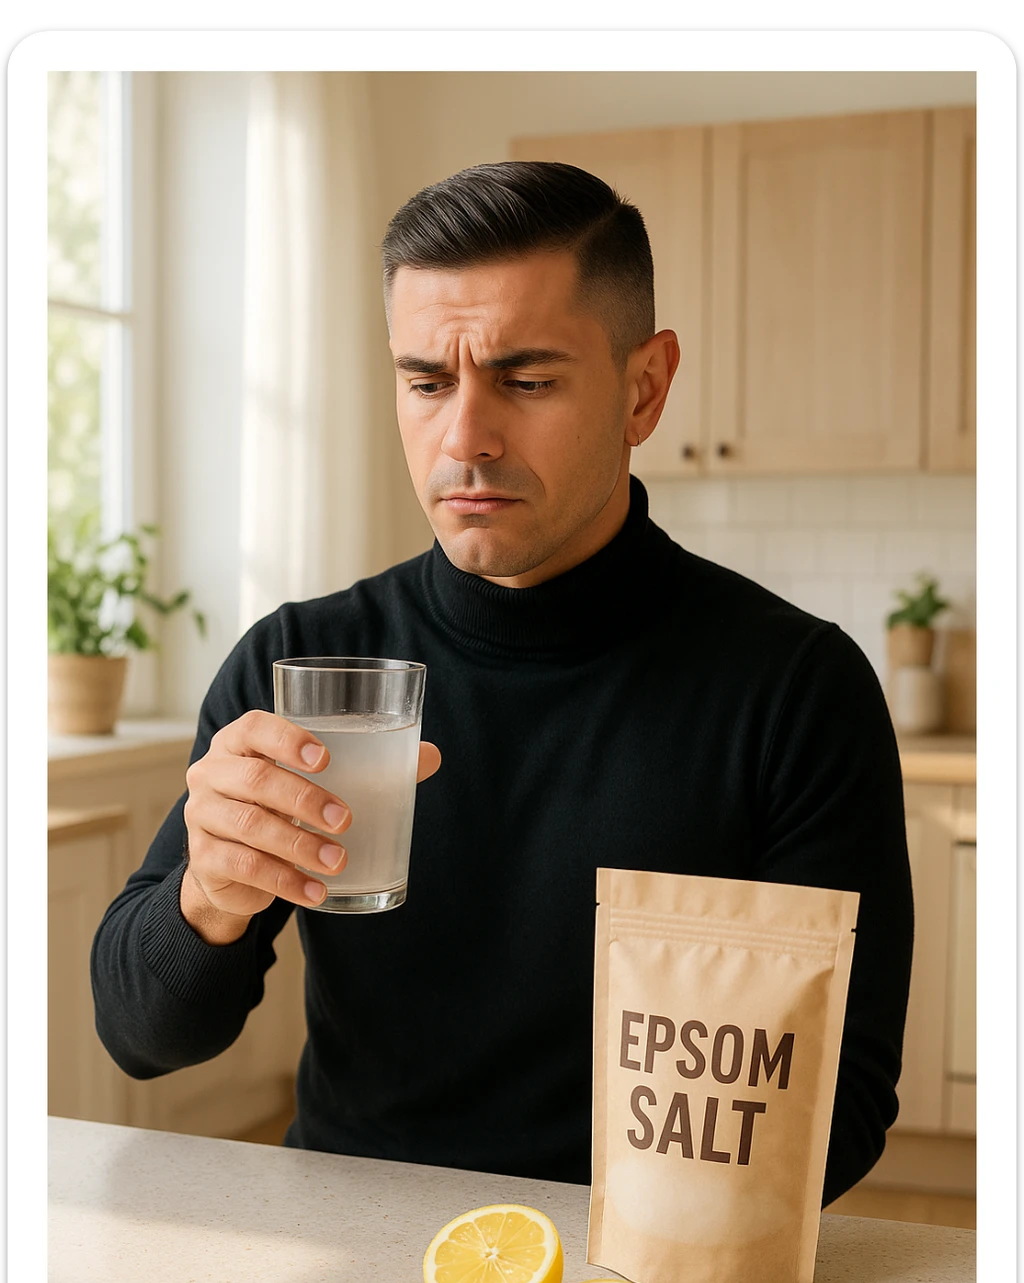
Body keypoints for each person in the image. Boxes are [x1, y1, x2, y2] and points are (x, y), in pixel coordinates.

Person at [91, 161, 913, 1207]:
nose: (464, 438)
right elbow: (139, 1036)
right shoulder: (298, 664)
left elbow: (842, 1104)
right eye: (426, 382)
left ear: (644, 389)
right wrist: (206, 897)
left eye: (527, 382)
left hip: (644, 1275)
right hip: (352, 1255)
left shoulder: (794, 690)